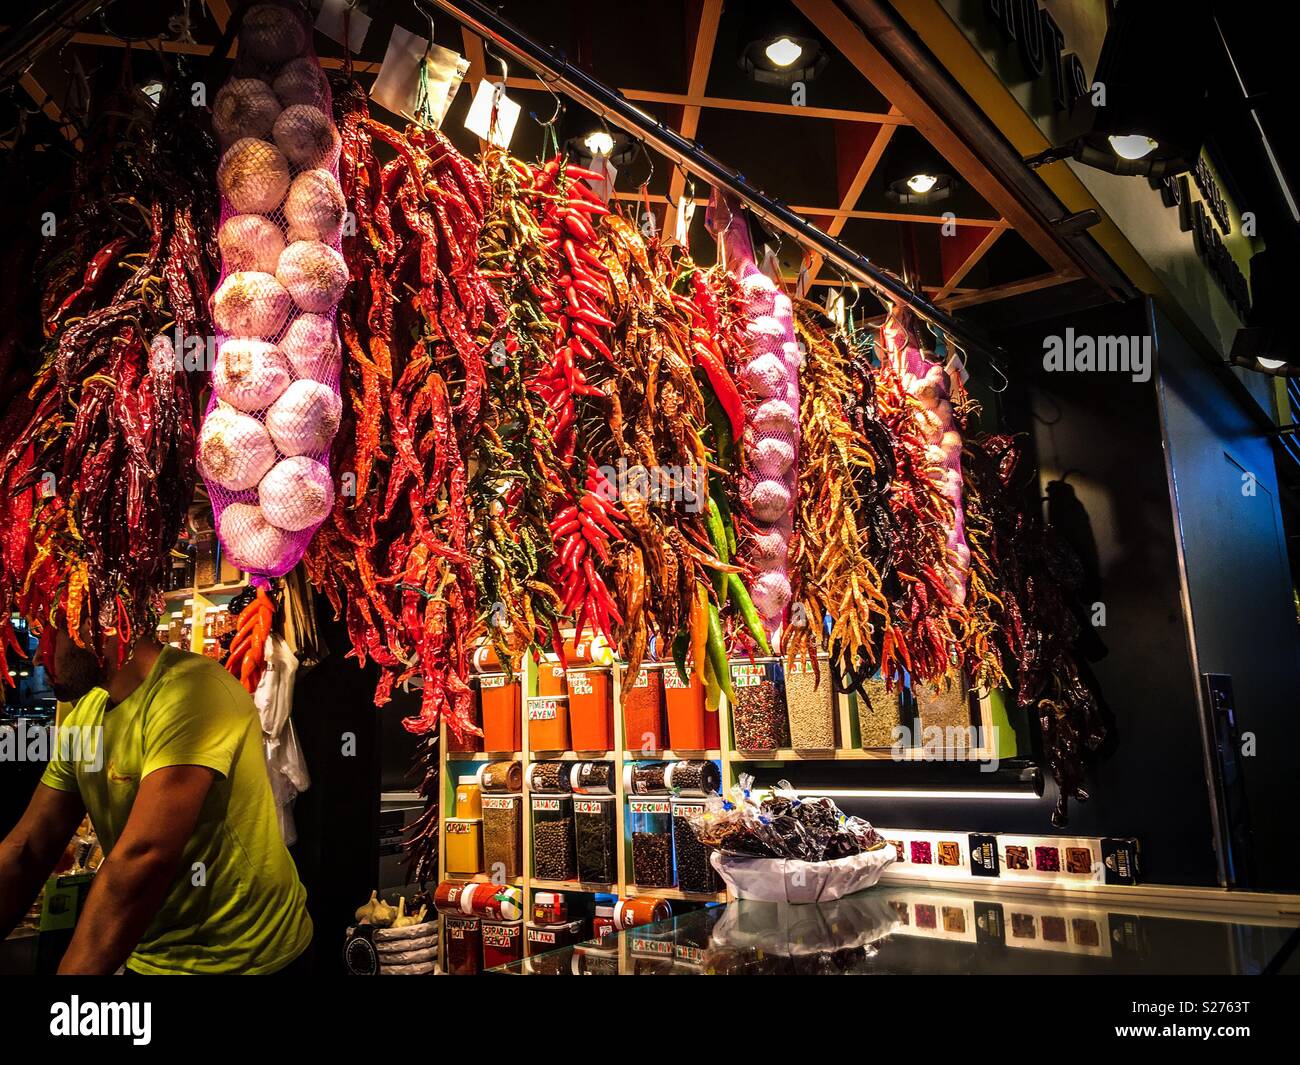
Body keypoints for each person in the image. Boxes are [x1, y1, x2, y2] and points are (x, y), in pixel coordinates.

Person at [0, 617, 312, 974]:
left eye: (49, 639)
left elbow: (144, 858)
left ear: (96, 625)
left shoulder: (194, 691)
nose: (38, 657)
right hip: (153, 953)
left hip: (244, 955)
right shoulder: (85, 713)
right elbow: (27, 848)